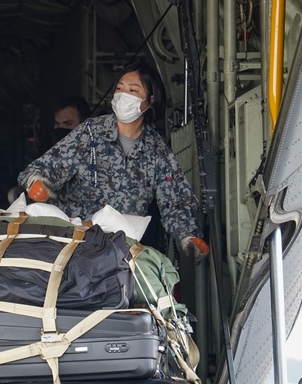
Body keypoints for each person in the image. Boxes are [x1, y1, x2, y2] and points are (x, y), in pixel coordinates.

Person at [17, 61, 209, 260]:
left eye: (132, 90)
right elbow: (45, 168)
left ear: (150, 100)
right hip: (76, 248)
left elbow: (175, 203)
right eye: (119, 89)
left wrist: (188, 236)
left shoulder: (157, 151)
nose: (123, 95)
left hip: (122, 254)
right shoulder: (90, 133)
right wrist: (36, 182)